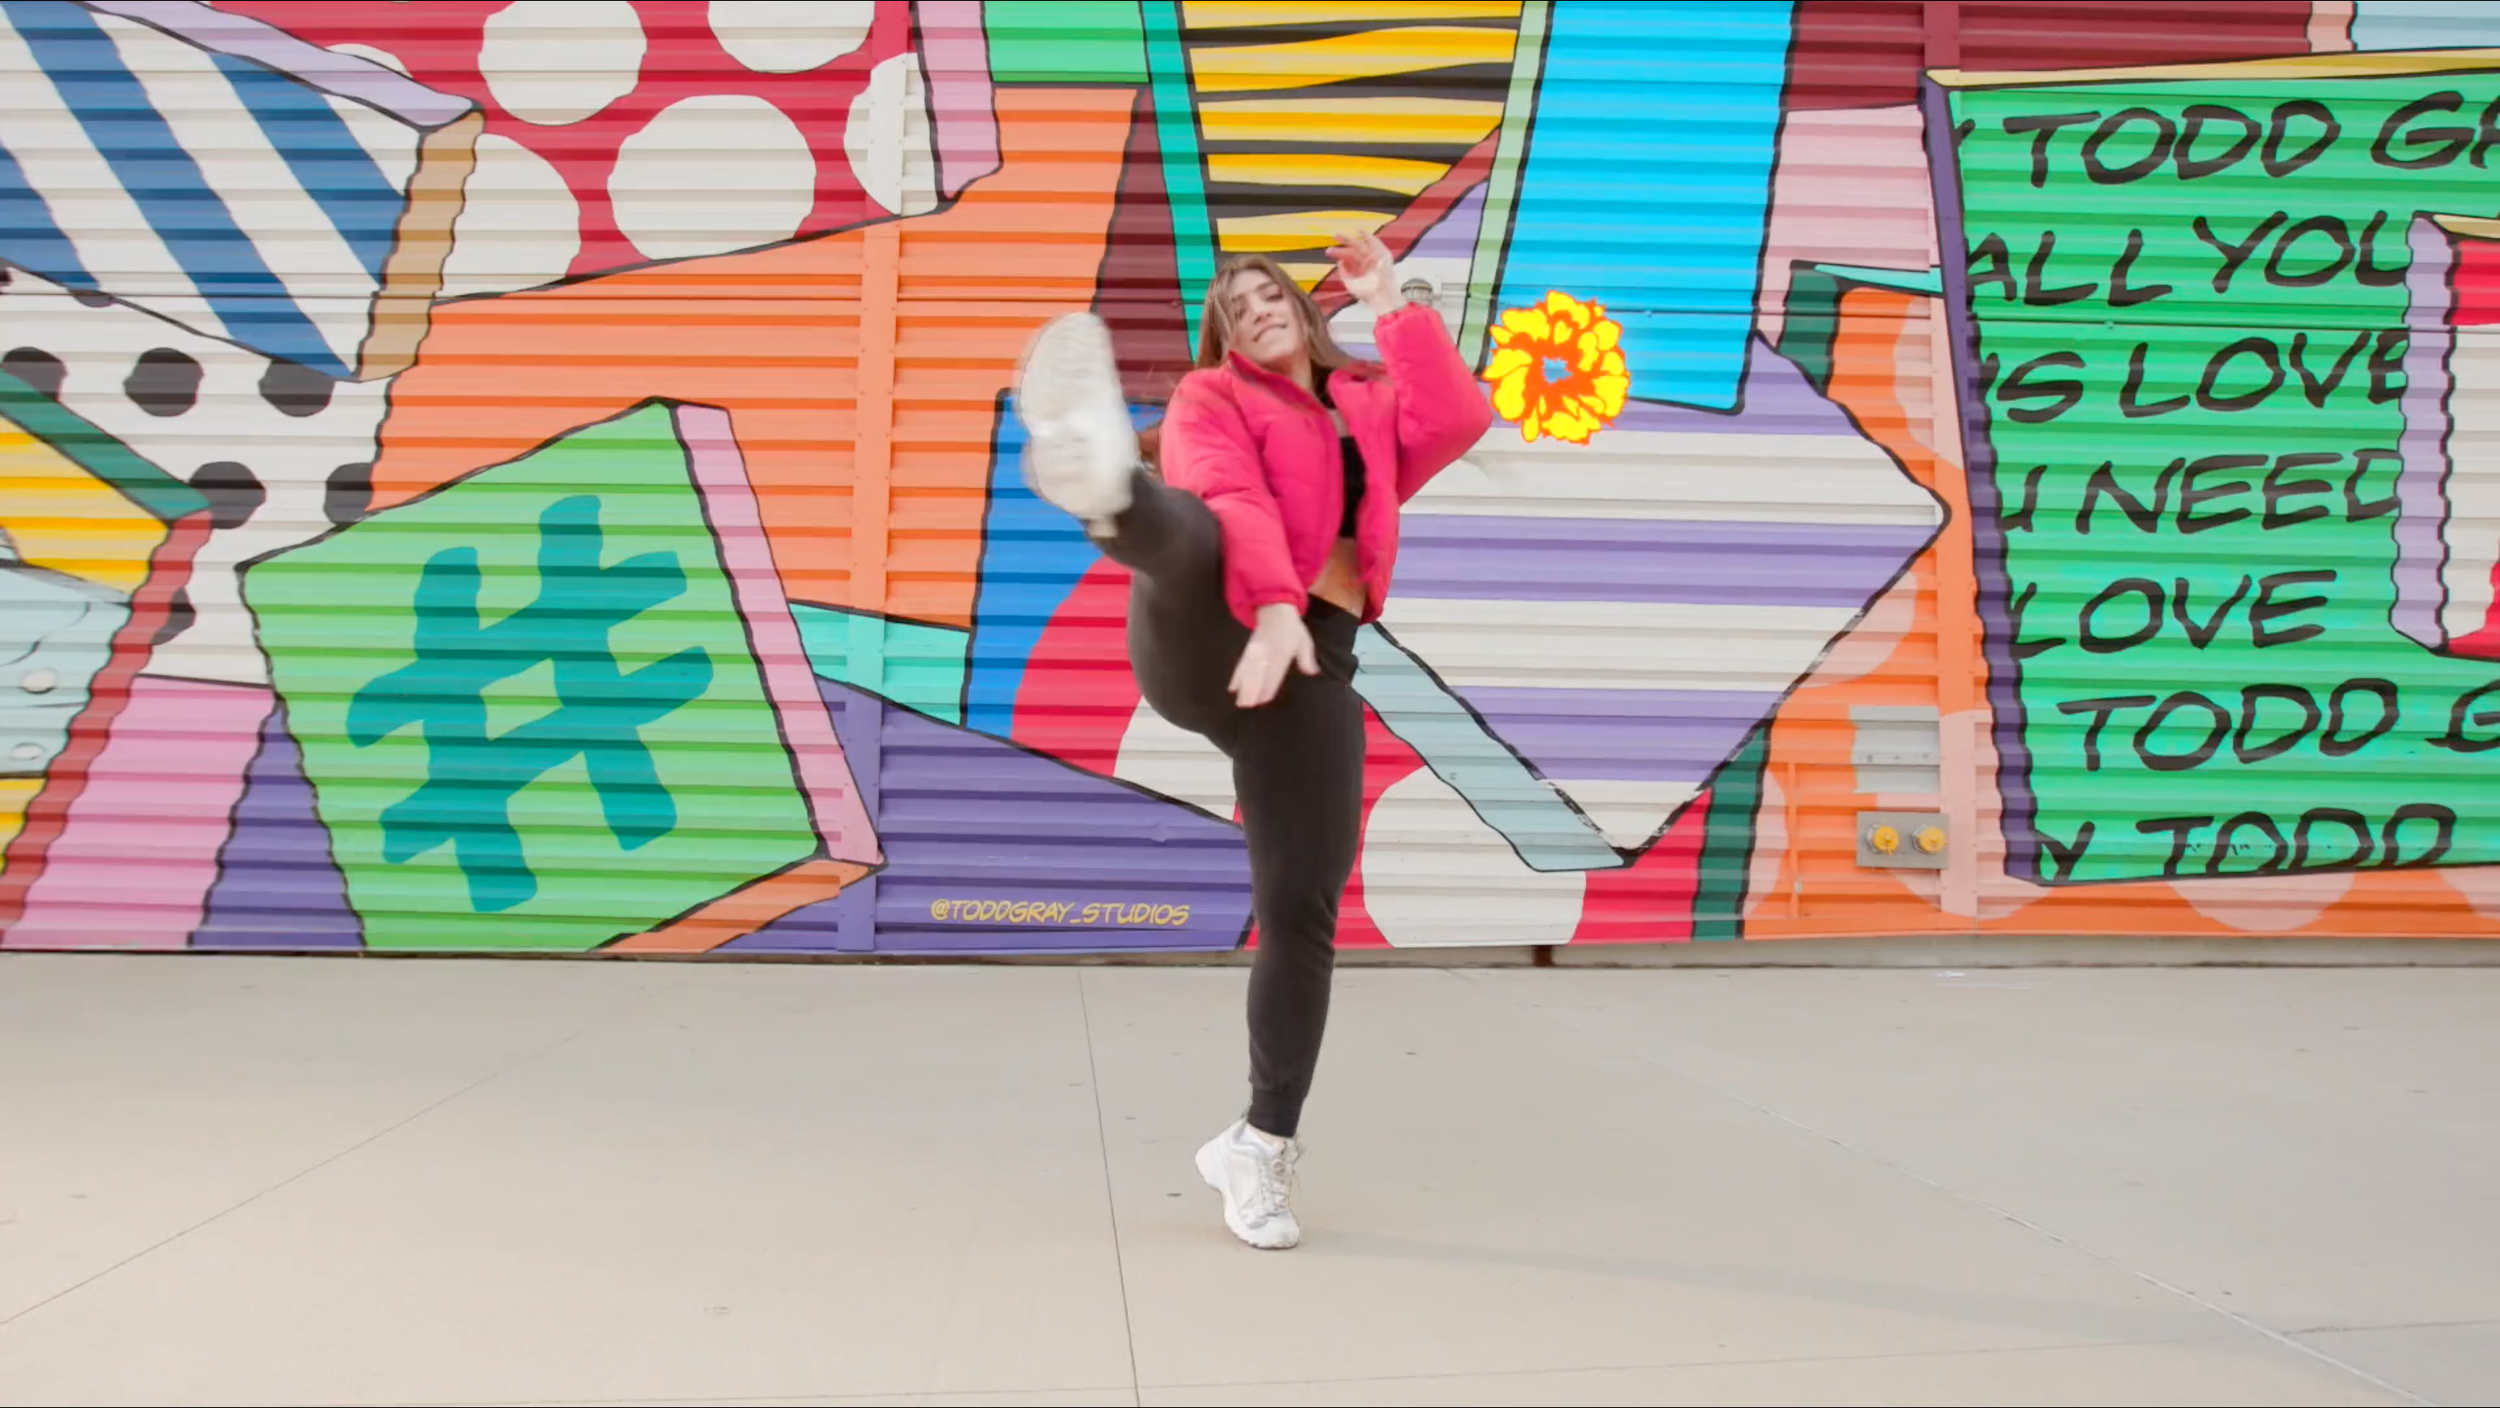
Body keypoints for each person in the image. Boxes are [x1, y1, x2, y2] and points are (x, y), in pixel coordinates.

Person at [1010, 231, 1490, 1249]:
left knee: (1302, 908)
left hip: (1313, 659)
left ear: (1306, 312)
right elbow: (1232, 501)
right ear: (1223, 339)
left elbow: (1457, 418)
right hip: (1210, 627)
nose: (1258, 308)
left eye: (1271, 294)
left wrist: (1388, 299)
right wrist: (1272, 605)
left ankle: (1259, 1145)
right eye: (1236, 306)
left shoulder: (1366, 408)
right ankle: (1108, 489)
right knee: (1195, 527)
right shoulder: (1210, 400)